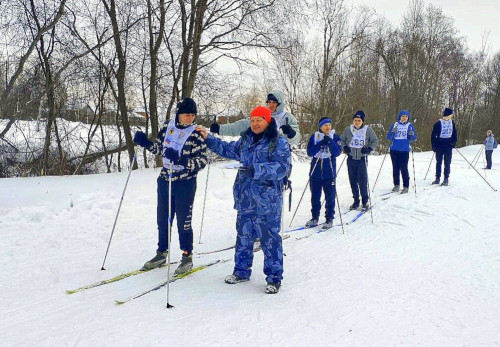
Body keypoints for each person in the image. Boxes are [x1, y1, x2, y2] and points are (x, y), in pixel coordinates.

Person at [198, 106, 291, 294]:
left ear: (267, 121)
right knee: (244, 236)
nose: (255, 124)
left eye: (259, 120)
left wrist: (257, 169)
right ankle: (241, 271)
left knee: (270, 239)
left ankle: (274, 278)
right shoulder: (246, 140)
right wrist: (208, 138)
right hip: (245, 198)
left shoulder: (278, 141)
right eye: (252, 120)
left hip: (268, 201)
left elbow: (283, 168)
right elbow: (227, 149)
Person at [133, 97, 208, 274]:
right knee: (163, 219)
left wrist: (182, 160)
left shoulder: (196, 133)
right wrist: (145, 142)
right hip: (165, 180)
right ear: (179, 114)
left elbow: (203, 161)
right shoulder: (168, 127)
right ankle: (161, 253)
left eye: (192, 115)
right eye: (186, 114)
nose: (190, 118)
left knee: (184, 222)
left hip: (185, 182)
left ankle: (187, 255)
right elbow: (158, 148)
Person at [209, 90, 301, 146]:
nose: (271, 105)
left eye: (274, 102)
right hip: (261, 151)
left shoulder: (287, 117)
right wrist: (220, 129)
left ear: (280, 103)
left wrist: (291, 133)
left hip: (280, 155)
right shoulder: (261, 115)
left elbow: (297, 139)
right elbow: (240, 126)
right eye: (269, 102)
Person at [305, 117, 342, 229]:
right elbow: (310, 152)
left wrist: (329, 141)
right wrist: (320, 143)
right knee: (315, 196)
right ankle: (314, 217)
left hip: (329, 171)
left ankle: (329, 218)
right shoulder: (315, 136)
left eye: (329, 125)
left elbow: (337, 152)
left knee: (330, 196)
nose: (328, 127)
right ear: (320, 126)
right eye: (325, 125)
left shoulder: (334, 136)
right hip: (315, 171)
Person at [341, 110, 379, 210]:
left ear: (362, 121)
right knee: (352, 180)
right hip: (351, 159)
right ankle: (356, 201)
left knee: (362, 181)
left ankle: (365, 201)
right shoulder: (348, 129)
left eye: (359, 120)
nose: (357, 122)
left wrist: (369, 148)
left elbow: (375, 141)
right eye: (355, 120)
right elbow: (341, 140)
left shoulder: (368, 130)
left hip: (362, 159)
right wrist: (345, 147)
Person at [386, 110, 418, 194]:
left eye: (406, 116)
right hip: (394, 149)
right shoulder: (395, 125)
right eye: (403, 116)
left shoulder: (409, 126)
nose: (404, 118)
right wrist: (392, 133)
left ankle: (406, 186)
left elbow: (414, 138)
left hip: (404, 150)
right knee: (395, 168)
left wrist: (411, 135)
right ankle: (396, 184)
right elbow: (388, 137)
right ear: (399, 117)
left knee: (404, 168)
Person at [431, 107, 457, 186]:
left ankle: (446, 178)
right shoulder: (438, 123)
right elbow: (433, 135)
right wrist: (434, 145)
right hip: (439, 144)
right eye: (451, 114)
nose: (451, 116)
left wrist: (453, 143)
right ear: (448, 114)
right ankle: (437, 178)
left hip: (448, 145)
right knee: (438, 162)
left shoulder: (452, 123)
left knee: (447, 162)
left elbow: (455, 134)